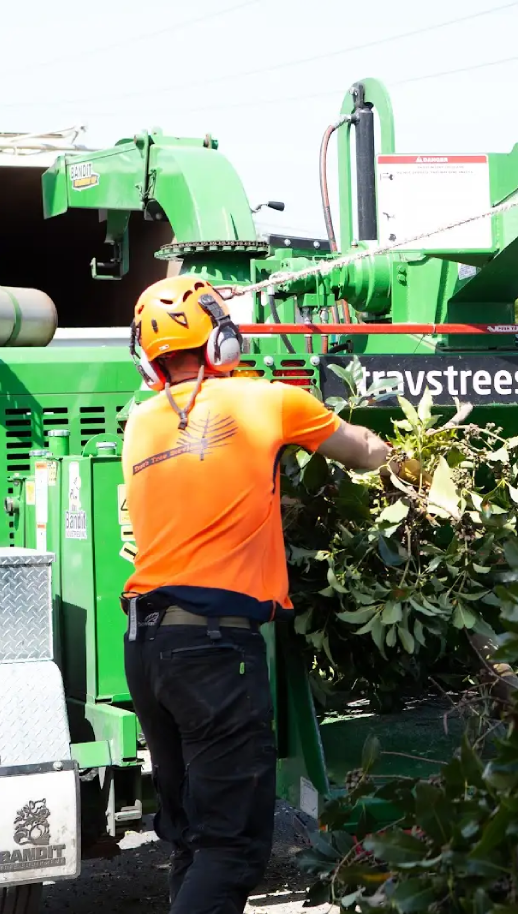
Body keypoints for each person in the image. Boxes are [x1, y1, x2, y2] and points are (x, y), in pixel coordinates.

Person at [119, 275, 391, 914]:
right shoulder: (266, 400)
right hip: (213, 648)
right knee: (233, 846)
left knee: (191, 837)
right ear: (222, 338)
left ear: (147, 355)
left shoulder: (140, 421)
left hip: (149, 645)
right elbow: (361, 452)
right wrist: (406, 465)